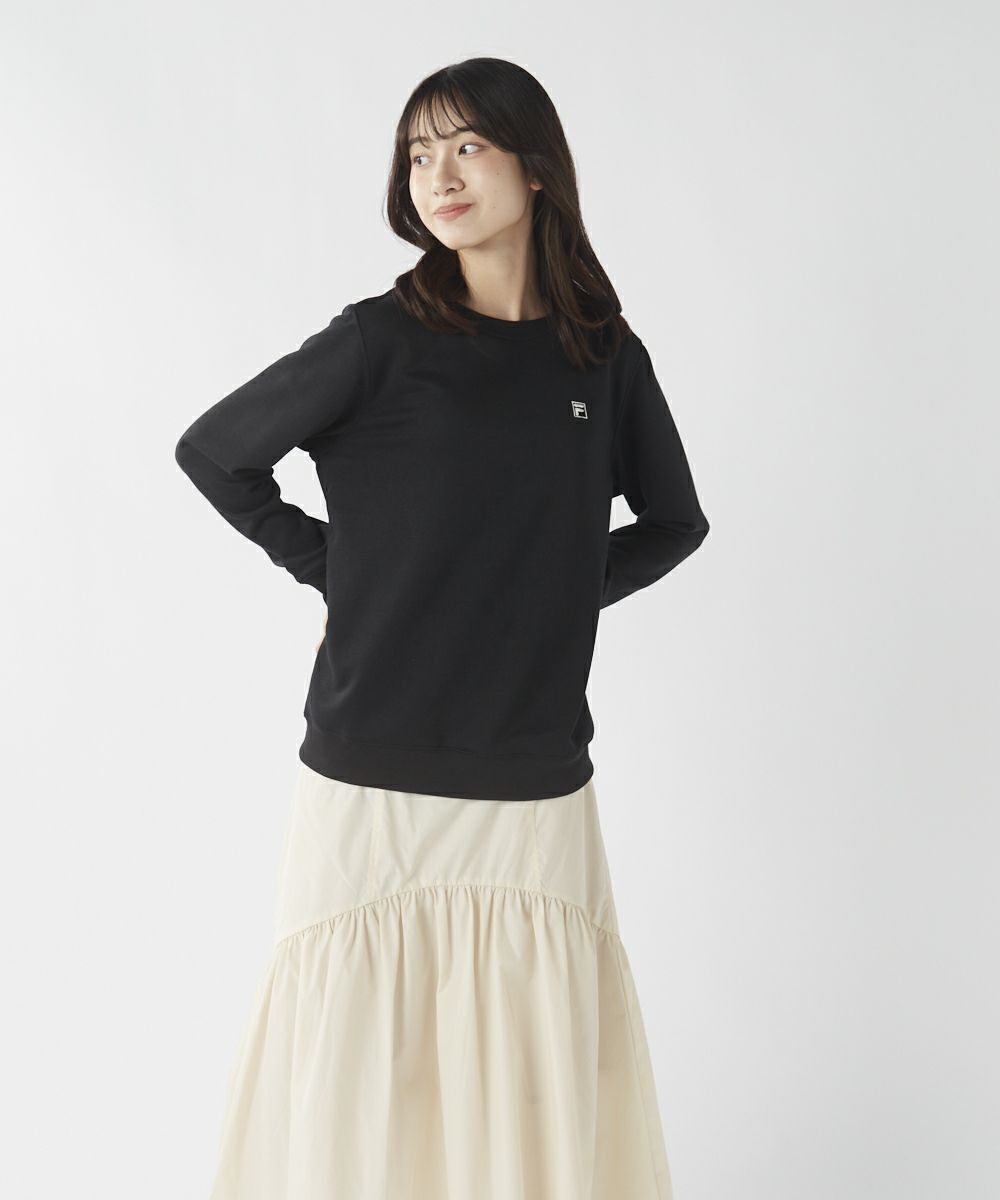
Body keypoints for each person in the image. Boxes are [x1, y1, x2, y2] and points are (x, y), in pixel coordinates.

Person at [175, 55, 710, 1200]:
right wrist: (340, 575)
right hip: (371, 771)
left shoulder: (602, 356)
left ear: (535, 165)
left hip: (532, 775)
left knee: (531, 1072)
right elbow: (216, 452)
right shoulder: (381, 339)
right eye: (419, 153)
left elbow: (675, 522)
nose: (439, 176)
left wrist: (547, 594)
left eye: (466, 145)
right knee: (360, 1068)